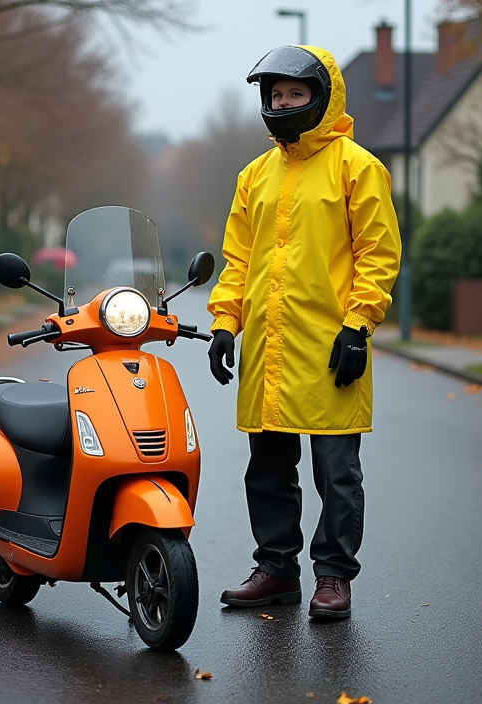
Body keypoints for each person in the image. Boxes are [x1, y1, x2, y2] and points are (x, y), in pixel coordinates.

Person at [206, 44, 402, 620]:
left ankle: (334, 576)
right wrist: (225, 323)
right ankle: (276, 569)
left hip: (331, 345)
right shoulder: (254, 176)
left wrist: (359, 325)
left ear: (323, 96)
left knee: (336, 472)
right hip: (267, 348)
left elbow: (378, 252)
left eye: (296, 93)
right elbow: (237, 259)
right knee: (267, 469)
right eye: (275, 95)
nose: (284, 102)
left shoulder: (357, 167)